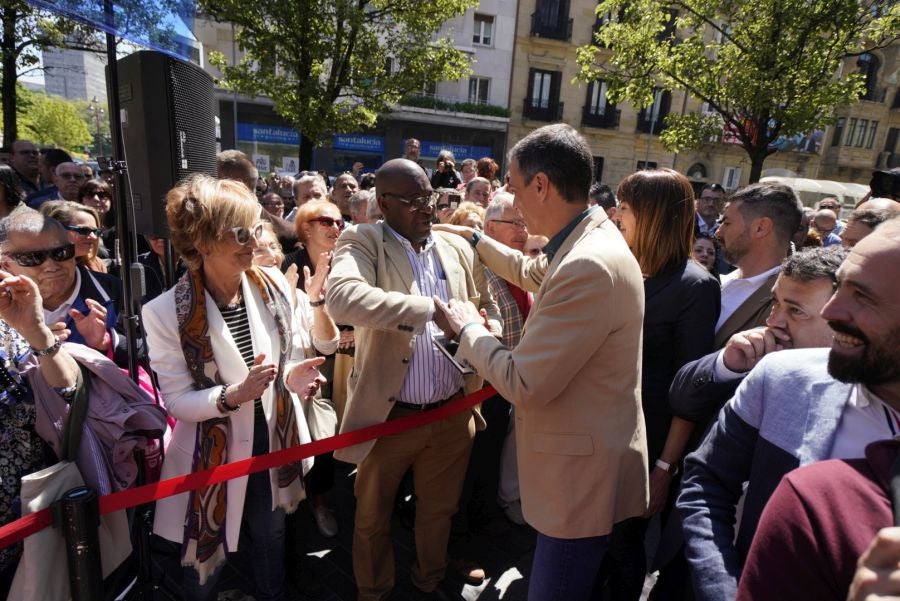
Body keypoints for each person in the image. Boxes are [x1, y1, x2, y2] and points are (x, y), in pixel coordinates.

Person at [432, 123, 648, 601]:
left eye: (513, 185)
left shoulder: (588, 263)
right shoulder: (589, 238)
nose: (512, 197)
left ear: (542, 185)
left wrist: (467, 327)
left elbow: (524, 381)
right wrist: (473, 239)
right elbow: (532, 271)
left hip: (579, 480)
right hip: (589, 458)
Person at [676, 221, 896, 601]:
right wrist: (724, 590)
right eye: (841, 287)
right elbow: (706, 482)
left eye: (863, 297)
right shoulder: (780, 376)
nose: (834, 310)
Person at [142, 174, 328, 601]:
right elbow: (176, 401)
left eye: (257, 228)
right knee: (205, 556)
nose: (254, 240)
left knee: (271, 538)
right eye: (241, 232)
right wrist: (232, 396)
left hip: (275, 442)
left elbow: (287, 357)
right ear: (203, 241)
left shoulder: (273, 284)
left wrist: (295, 377)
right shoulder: (164, 311)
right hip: (211, 453)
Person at [326, 157, 501, 600]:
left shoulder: (456, 248)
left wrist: (486, 329)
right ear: (383, 204)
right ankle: (374, 591)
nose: (426, 209)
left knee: (438, 513)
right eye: (413, 201)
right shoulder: (363, 239)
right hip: (389, 417)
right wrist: (428, 311)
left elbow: (488, 307)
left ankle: (428, 582)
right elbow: (343, 299)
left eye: (431, 198)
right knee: (371, 517)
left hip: (451, 413)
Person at [603, 169, 720, 600]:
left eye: (627, 208)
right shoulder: (626, 267)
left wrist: (665, 467)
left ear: (653, 216)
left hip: (648, 443)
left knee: (623, 545)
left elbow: (692, 389)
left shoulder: (696, 286)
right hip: (604, 432)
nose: (617, 216)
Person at [281, 200, 344, 538]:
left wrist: (349, 330)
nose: (337, 226)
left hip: (346, 362)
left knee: (328, 437)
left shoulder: (348, 262)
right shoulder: (287, 265)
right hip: (302, 366)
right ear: (305, 228)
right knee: (306, 437)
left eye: (339, 220)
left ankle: (321, 502)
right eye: (326, 220)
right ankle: (300, 505)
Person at [0, 208, 128, 365]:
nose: (51, 266)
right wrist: (36, 345)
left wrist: (105, 343)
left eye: (60, 253)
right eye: (33, 258)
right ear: (5, 265)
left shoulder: (116, 292)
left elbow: (152, 357)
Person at [713, 182, 803, 348]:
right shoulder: (723, 279)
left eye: (726, 223)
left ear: (760, 228)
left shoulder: (792, 303)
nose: (718, 232)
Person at [40, 201, 108, 273]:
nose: (93, 237)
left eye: (95, 231)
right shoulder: (36, 268)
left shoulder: (96, 264)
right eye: (84, 230)